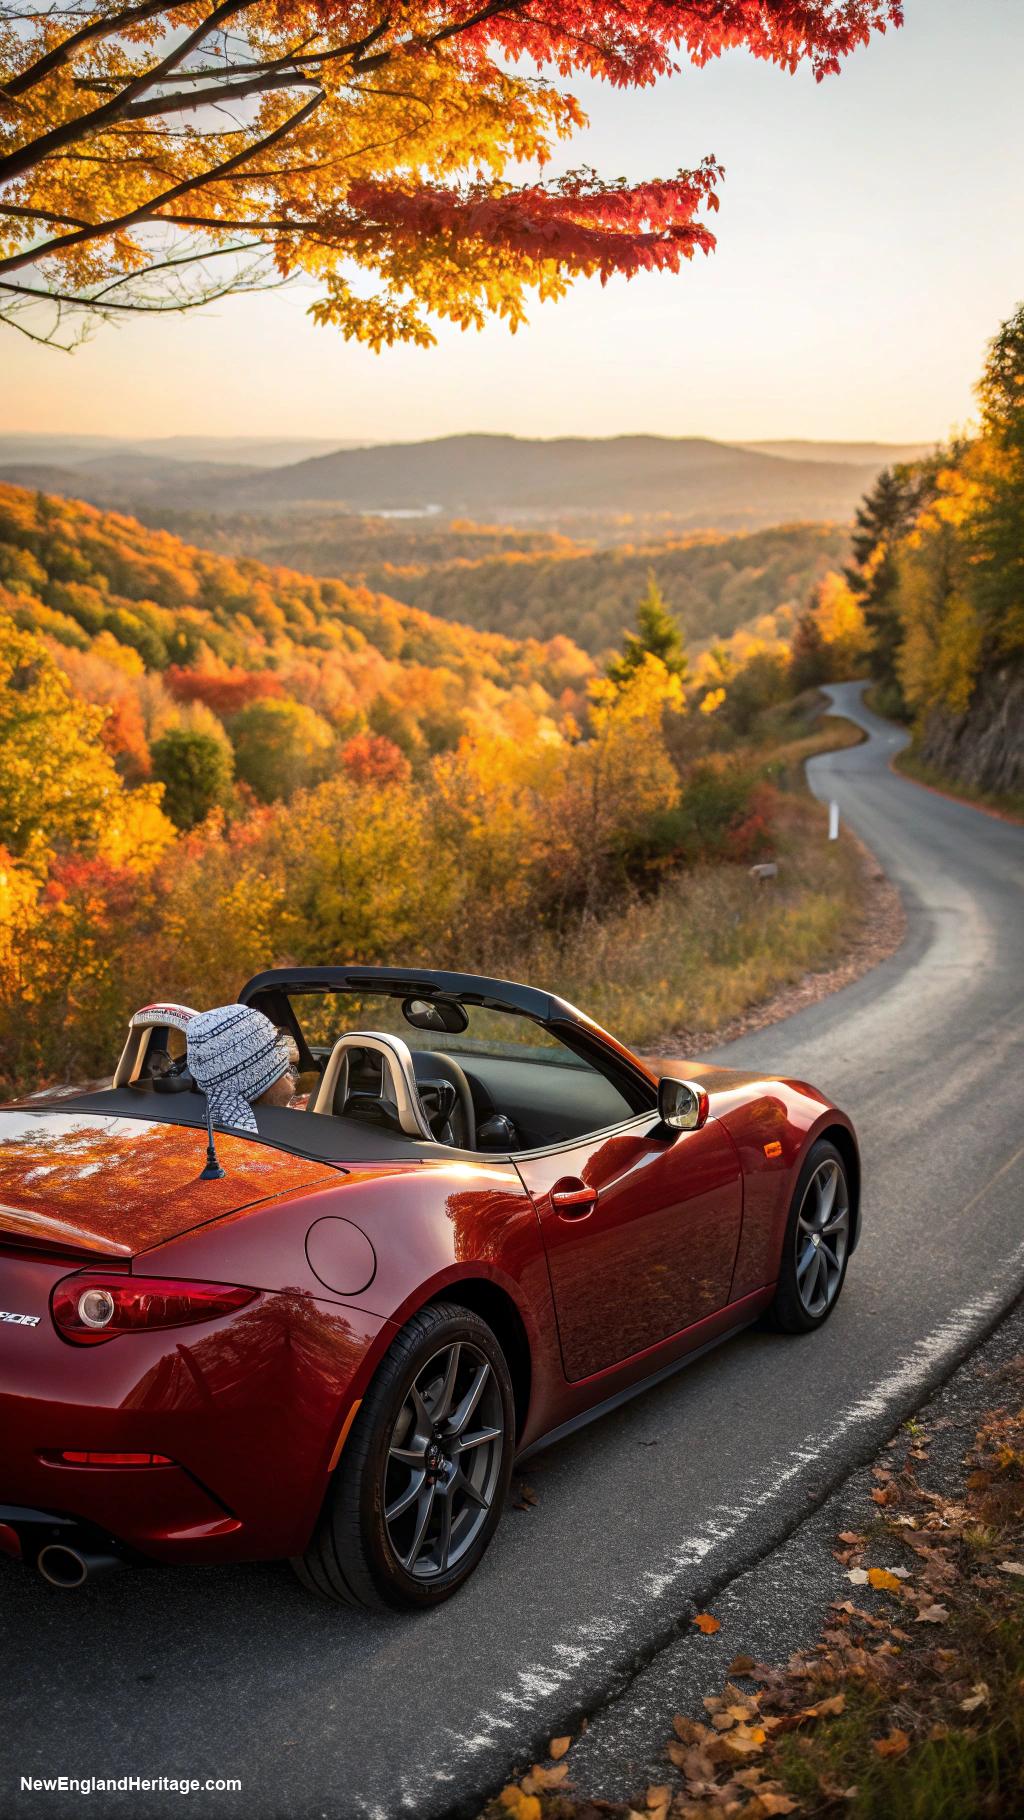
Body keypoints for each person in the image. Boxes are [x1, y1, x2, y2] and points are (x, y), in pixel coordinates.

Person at [185, 1004, 299, 1136]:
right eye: (281, 1068)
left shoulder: (232, 1137)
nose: (290, 1073)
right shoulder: (252, 1149)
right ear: (254, 1077)